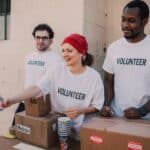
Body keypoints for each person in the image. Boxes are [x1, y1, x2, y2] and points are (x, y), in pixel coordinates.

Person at [2, 33, 104, 140]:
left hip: (78, 133)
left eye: (69, 51)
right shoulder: (57, 69)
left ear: (82, 53)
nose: (65, 54)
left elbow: (97, 106)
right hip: (55, 128)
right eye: (63, 51)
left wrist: (80, 110)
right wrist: (11, 100)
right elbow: (36, 88)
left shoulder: (94, 77)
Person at [100, 0, 150, 119]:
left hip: (146, 121)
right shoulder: (114, 47)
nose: (125, 25)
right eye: (123, 19)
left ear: (145, 22)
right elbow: (108, 81)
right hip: (117, 117)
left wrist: (141, 111)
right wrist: (106, 105)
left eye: (131, 21)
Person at [11, 23, 62, 127]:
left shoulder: (57, 59)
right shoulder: (29, 57)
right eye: (38, 37)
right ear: (34, 38)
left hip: (43, 105)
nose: (41, 41)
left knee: (37, 137)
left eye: (44, 38)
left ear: (50, 40)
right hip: (26, 101)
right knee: (15, 132)